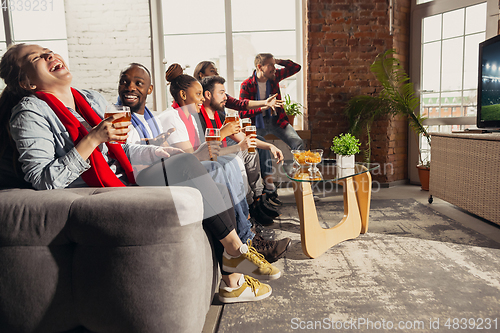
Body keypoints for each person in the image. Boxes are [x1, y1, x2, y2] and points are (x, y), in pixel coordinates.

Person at [2, 43, 280, 303]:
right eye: (37, 57)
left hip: (126, 177)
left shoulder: (90, 99)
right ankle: (236, 260)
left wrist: (156, 152)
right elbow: (43, 181)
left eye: (49, 51)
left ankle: (234, 267)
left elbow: (122, 150)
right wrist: (92, 139)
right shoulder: (29, 113)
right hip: (92, 189)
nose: (50, 55)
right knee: (201, 168)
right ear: (27, 82)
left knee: (193, 165)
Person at [118, 62, 290, 262]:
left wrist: (155, 144)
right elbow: (187, 155)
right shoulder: (157, 116)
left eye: (138, 83)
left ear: (149, 90)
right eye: (125, 82)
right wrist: (157, 148)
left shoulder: (166, 116)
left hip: (167, 165)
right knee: (221, 166)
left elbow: (178, 150)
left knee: (230, 164)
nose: (130, 87)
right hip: (155, 173)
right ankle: (247, 240)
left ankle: (249, 227)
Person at [199, 75, 286, 231]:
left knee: (250, 151)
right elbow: (205, 149)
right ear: (208, 95)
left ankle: (257, 202)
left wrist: (269, 146)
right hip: (213, 160)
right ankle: (250, 208)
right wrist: (225, 133)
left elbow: (243, 138)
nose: (226, 97)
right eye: (222, 93)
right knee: (238, 158)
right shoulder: (199, 117)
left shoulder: (220, 115)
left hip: (225, 153)